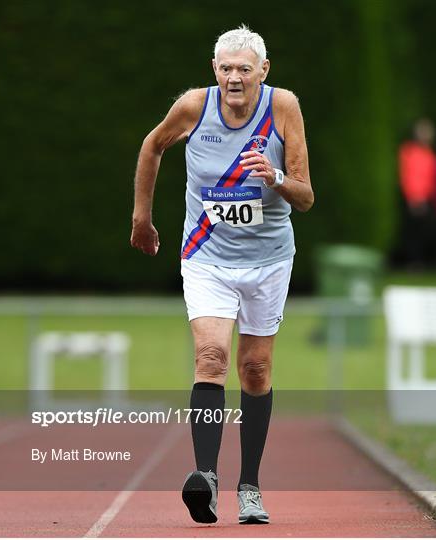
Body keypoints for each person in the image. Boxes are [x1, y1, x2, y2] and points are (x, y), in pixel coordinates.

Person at [130, 25, 313, 525]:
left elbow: (306, 195)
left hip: (269, 259)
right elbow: (152, 147)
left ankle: (249, 485)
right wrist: (142, 219)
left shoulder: (283, 108)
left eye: (244, 70)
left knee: (254, 369)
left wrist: (274, 177)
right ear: (215, 70)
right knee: (211, 355)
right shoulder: (193, 106)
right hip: (206, 255)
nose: (234, 78)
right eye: (226, 68)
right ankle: (205, 478)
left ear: (263, 72)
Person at [397, 118, 436, 268]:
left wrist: (426, 197)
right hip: (412, 199)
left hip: (426, 200)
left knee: (423, 233)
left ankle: (420, 262)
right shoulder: (408, 151)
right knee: (411, 233)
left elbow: (431, 178)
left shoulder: (430, 154)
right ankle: (411, 263)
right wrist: (412, 197)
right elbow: (406, 176)